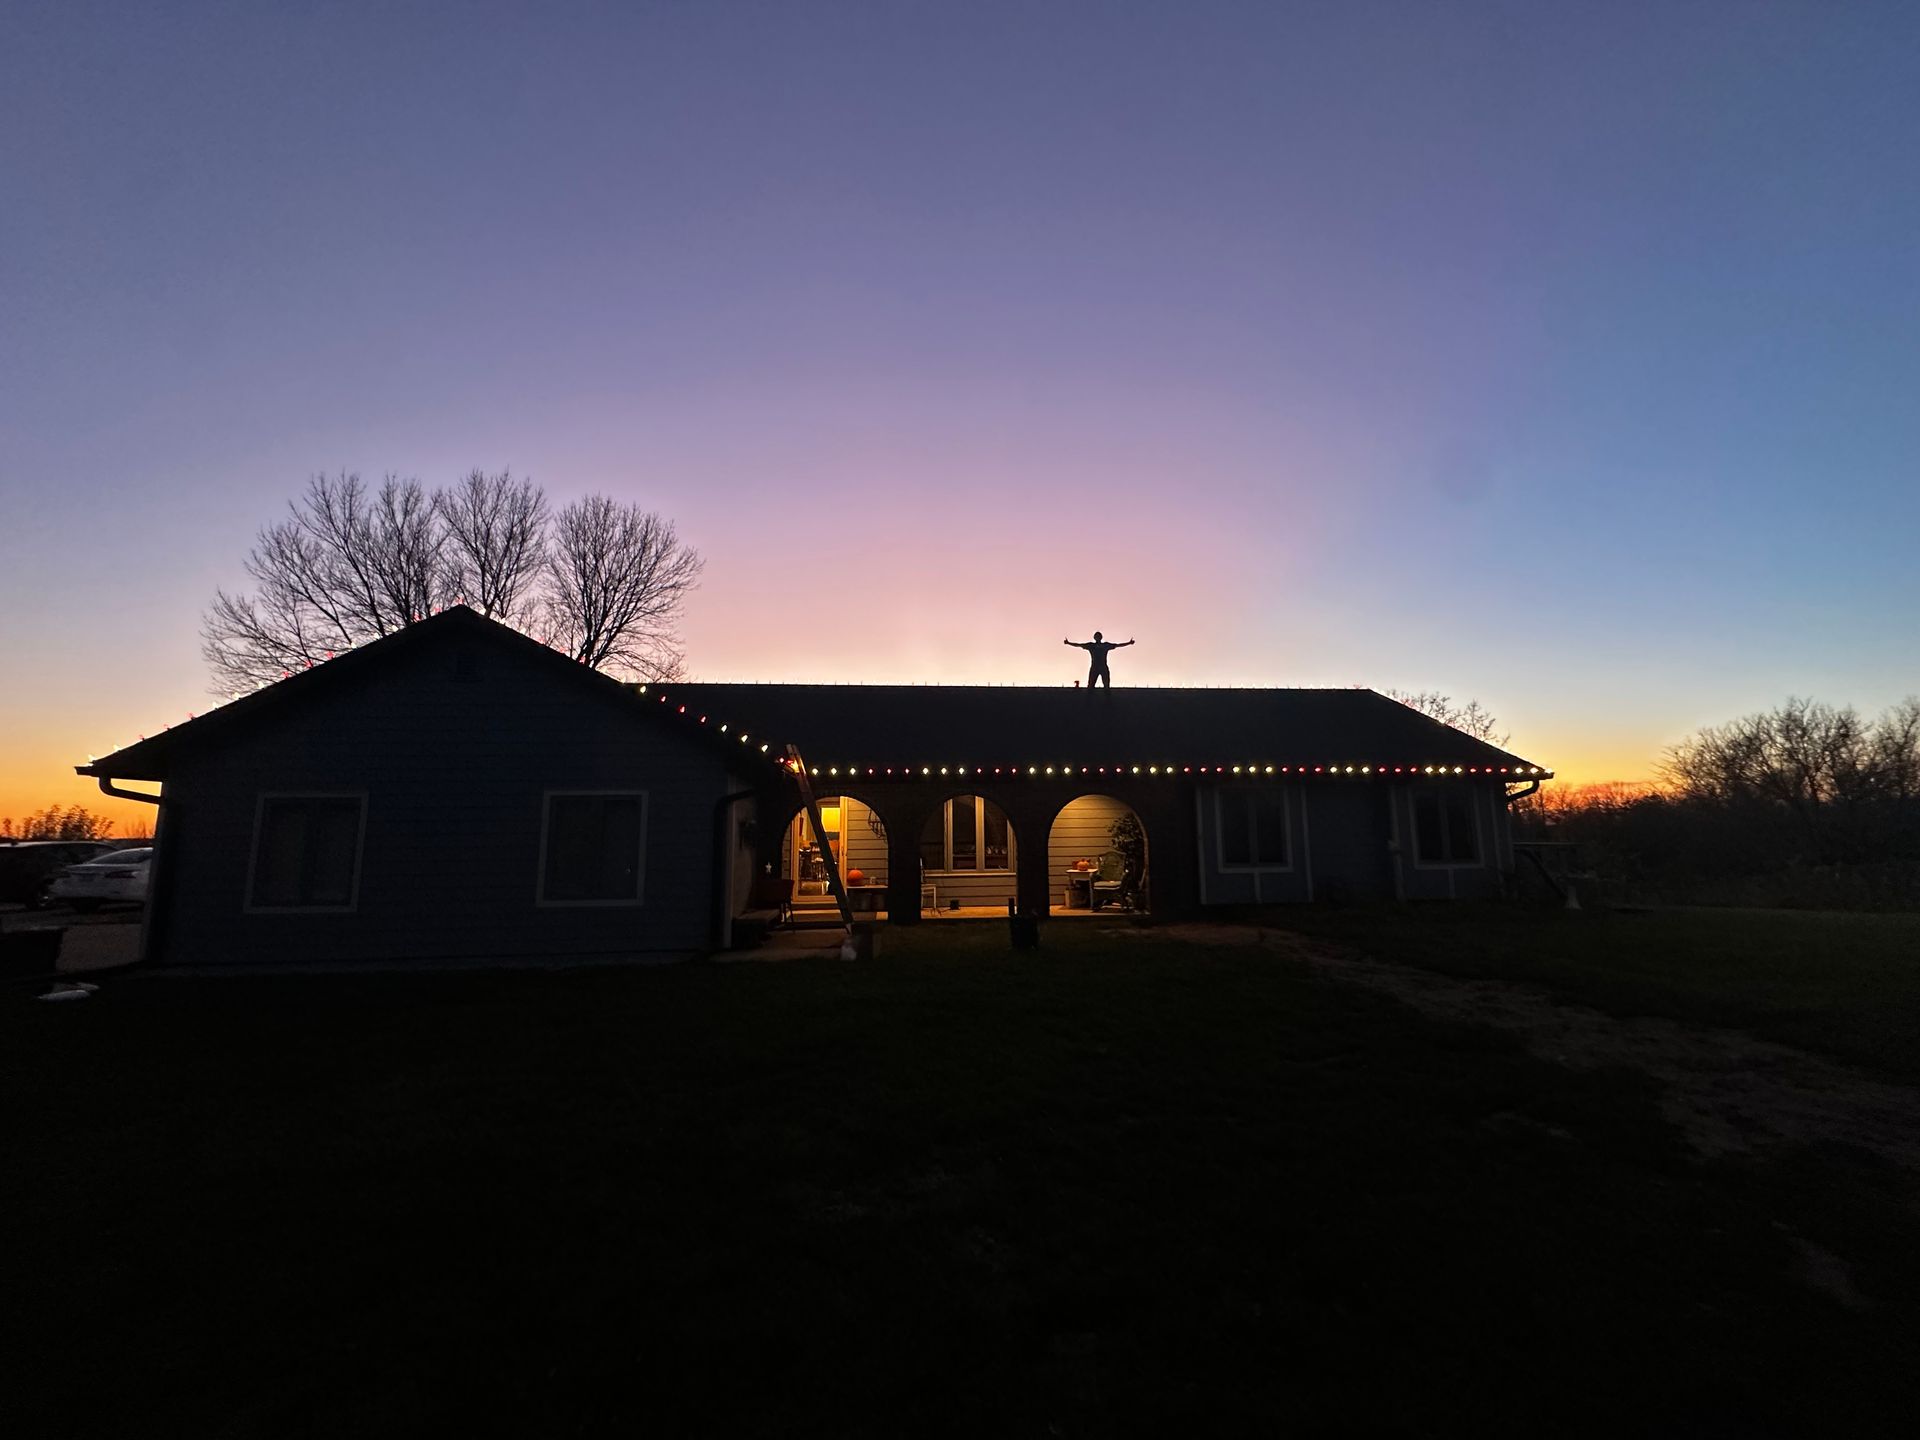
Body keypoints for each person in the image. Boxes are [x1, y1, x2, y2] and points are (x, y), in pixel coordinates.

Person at [1064, 631, 1134, 689]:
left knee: (1105, 686)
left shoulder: (1103, 645)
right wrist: (1068, 643)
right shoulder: (1093, 645)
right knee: (1091, 686)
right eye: (1097, 636)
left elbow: (1118, 645)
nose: (1098, 638)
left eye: (1098, 636)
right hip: (1096, 667)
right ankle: (1090, 701)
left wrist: (1129, 643)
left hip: (1102, 667)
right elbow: (1078, 645)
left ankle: (1106, 701)